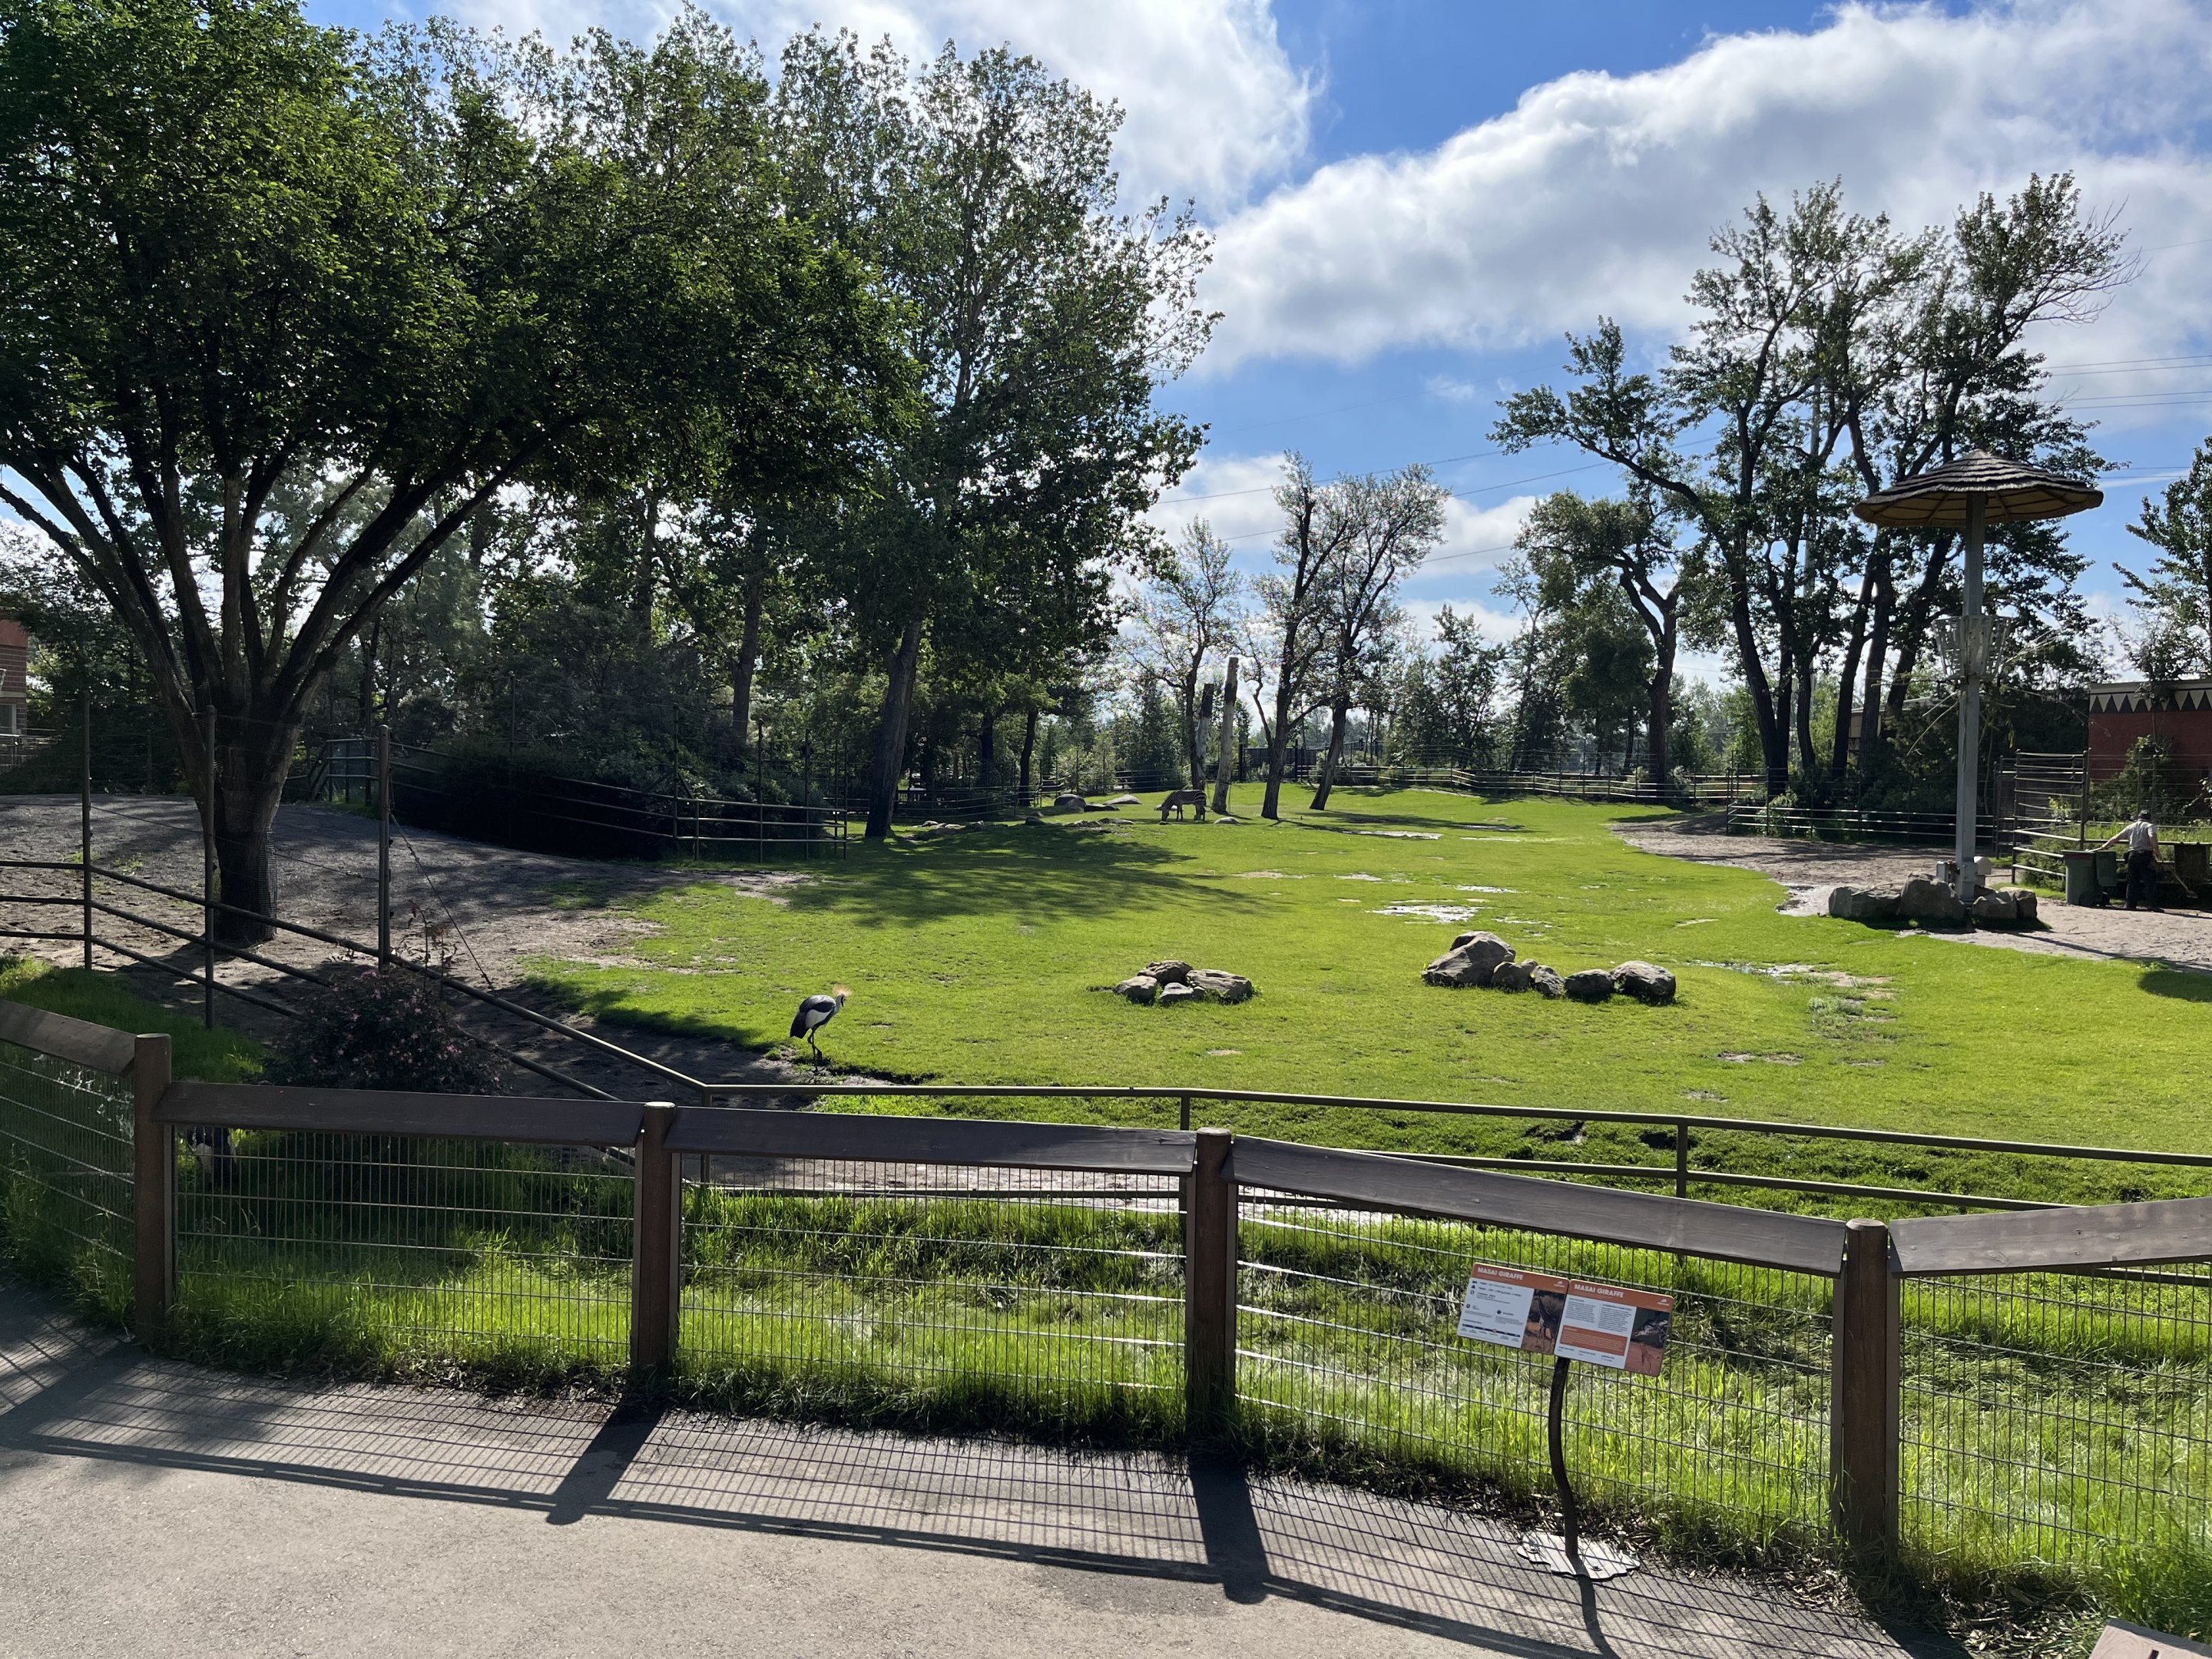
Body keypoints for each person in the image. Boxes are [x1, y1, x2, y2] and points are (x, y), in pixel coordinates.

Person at [2100, 809, 2163, 912]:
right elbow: (2152, 836)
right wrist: (2156, 850)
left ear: (2138, 817)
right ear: (2149, 818)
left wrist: (2106, 845)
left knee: (2132, 881)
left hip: (2132, 855)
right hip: (2145, 855)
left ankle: (2130, 904)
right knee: (2150, 880)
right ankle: (2151, 904)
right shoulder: (2150, 826)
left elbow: (2117, 837)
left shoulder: (2130, 827)